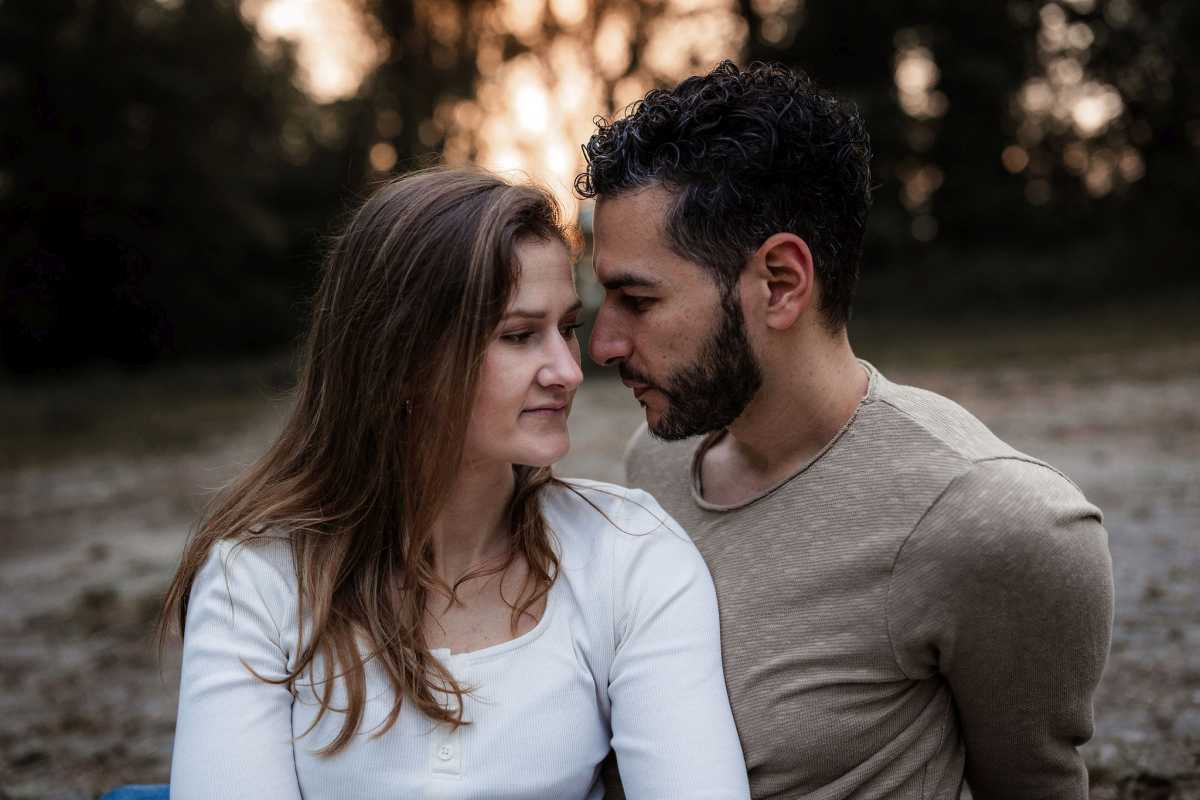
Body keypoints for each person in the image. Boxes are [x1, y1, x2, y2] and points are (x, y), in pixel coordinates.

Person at [579, 61, 1114, 799]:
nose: (602, 343)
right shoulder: (657, 463)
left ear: (781, 283)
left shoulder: (996, 522)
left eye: (635, 299)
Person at [158, 167, 750, 800]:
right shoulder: (259, 579)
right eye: (520, 336)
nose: (568, 371)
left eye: (567, 329)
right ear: (404, 361)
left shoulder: (629, 555)